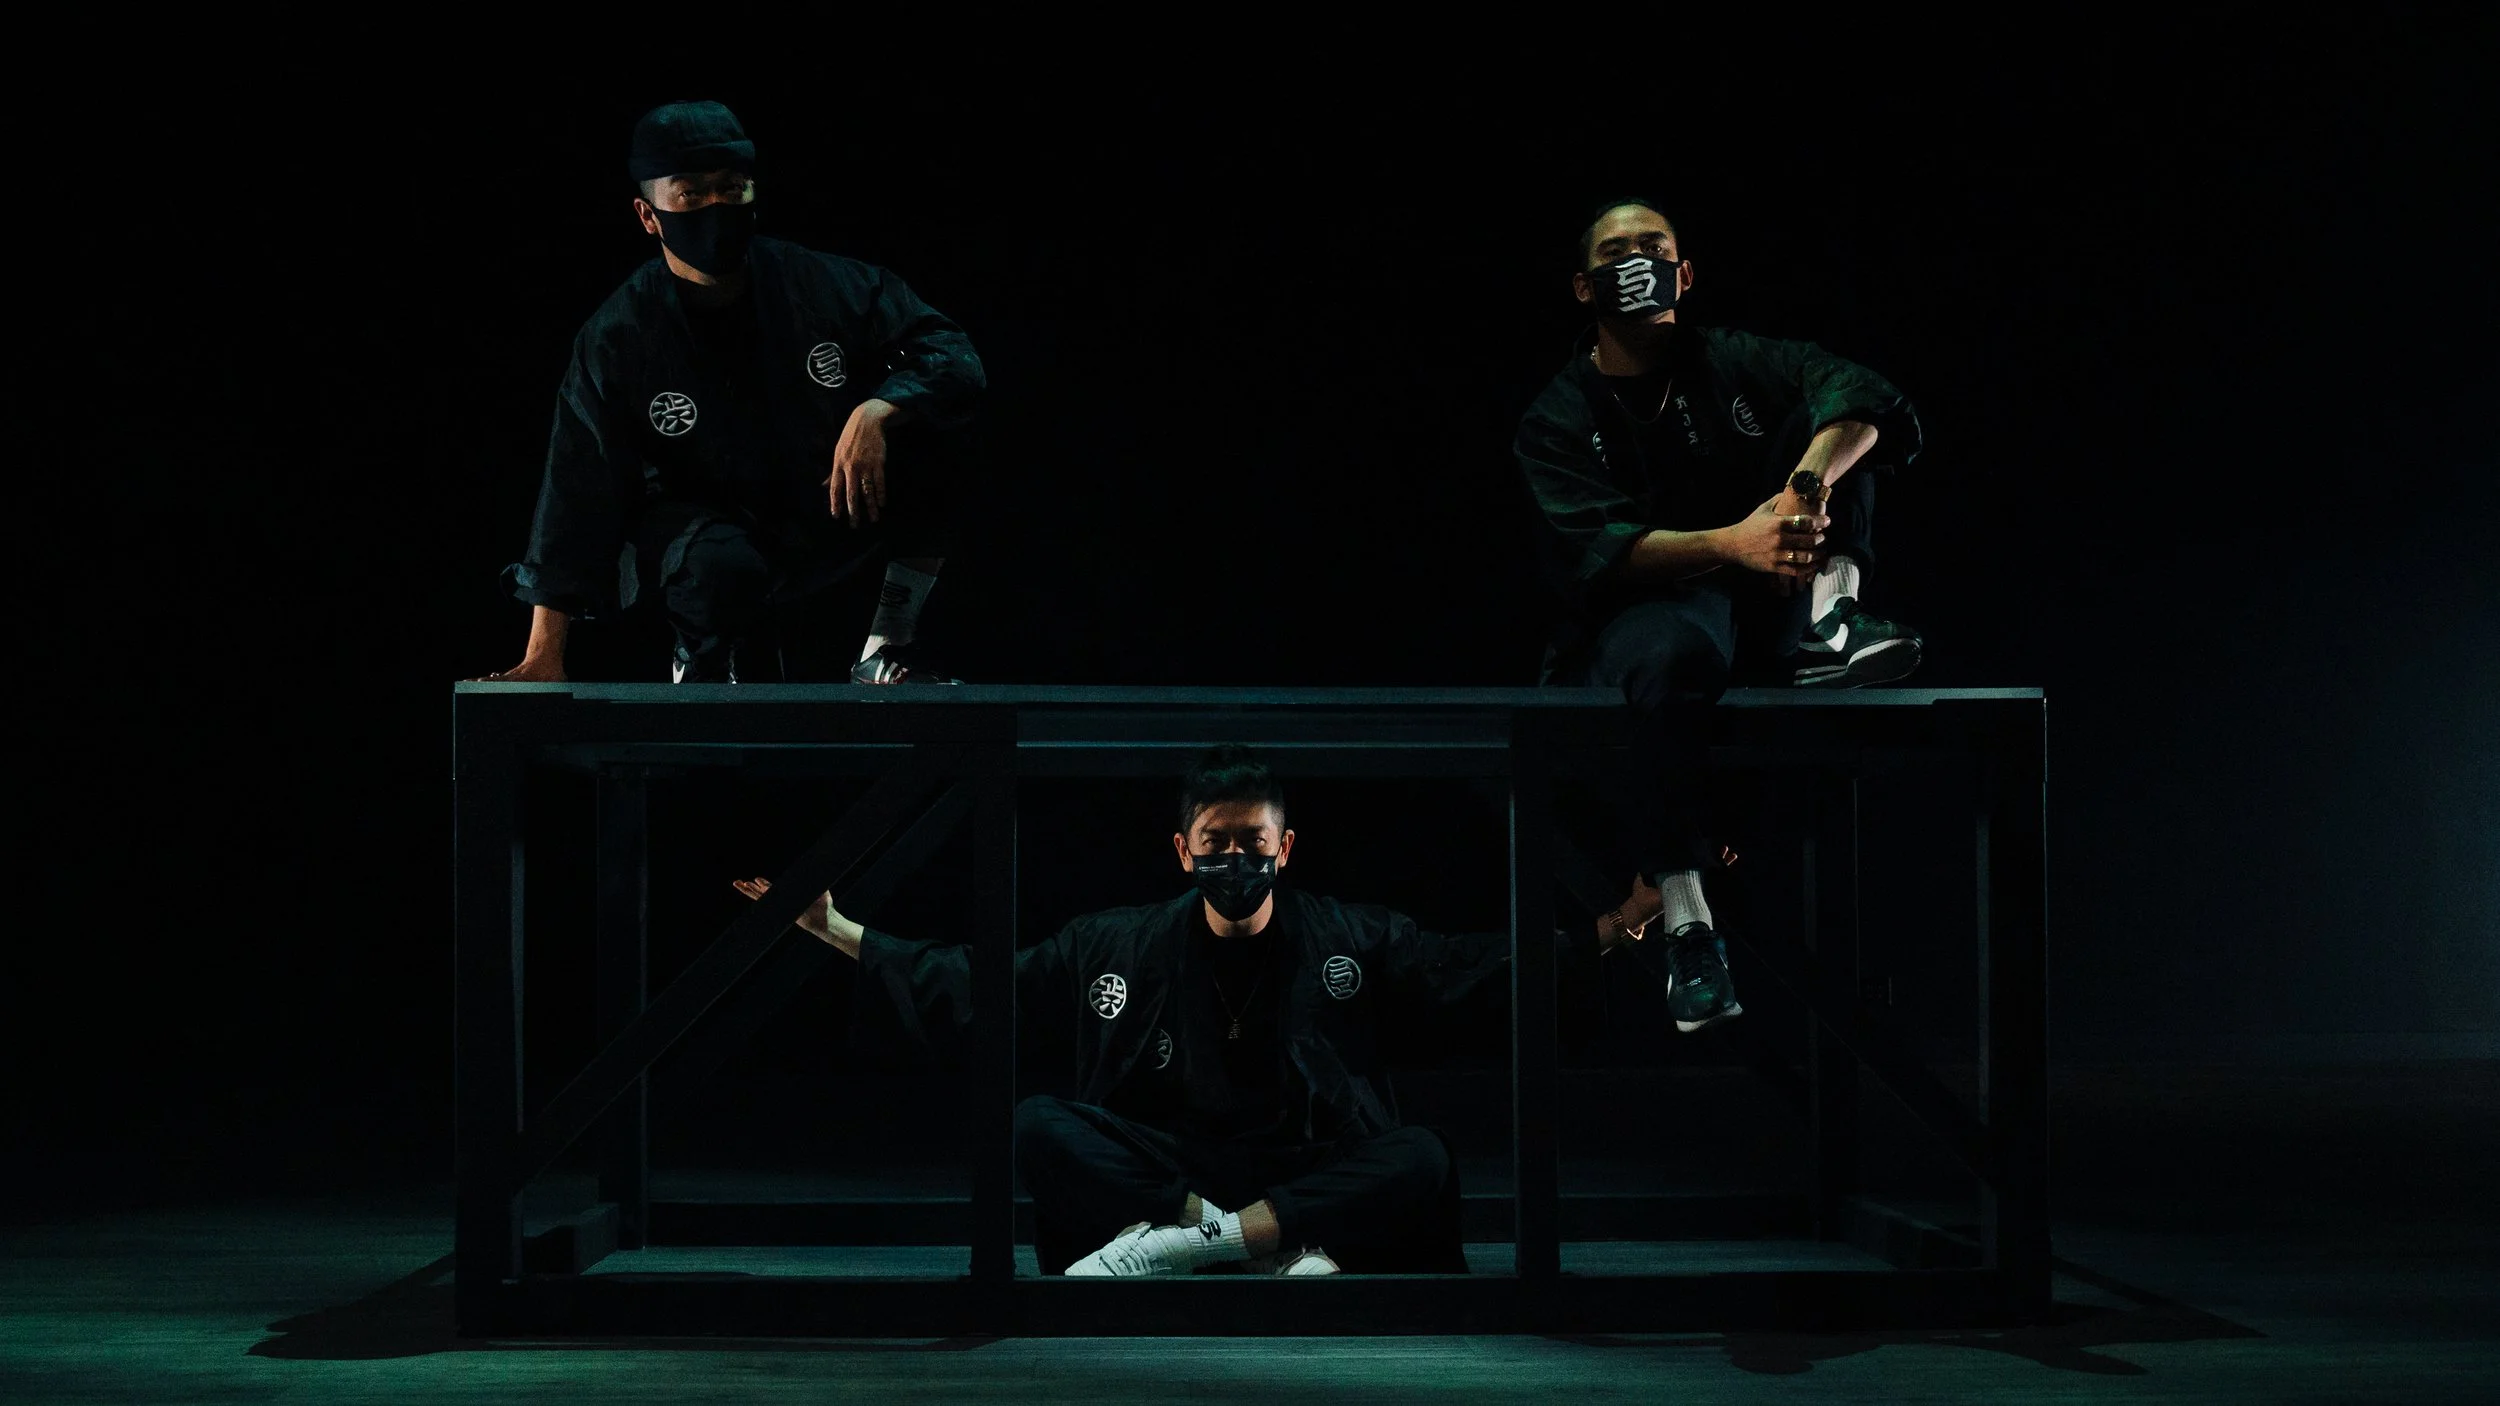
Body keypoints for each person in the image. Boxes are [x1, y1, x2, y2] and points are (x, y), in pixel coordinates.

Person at [734, 746, 1649, 1276]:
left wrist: (1612, 928)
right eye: (1217, 843)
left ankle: (1197, 1247)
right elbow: (984, 983)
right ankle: (1248, 1240)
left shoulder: (1350, 935)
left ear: (1284, 848)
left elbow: (1472, 970)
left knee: (1421, 1157)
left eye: (1254, 842)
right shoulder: (1114, 942)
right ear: (1183, 850)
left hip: (1303, 1160)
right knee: (1040, 1128)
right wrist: (841, 930)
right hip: (1172, 1165)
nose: (1237, 859)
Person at [1513, 198, 1927, 1034]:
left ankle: (1836, 621)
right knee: (1671, 659)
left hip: (1773, 599)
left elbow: (1865, 394)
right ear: (1585, 287)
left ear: (1685, 273)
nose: (1636, 259)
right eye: (1616, 251)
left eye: (1653, 246)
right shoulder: (1554, 416)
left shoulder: (1735, 360)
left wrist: (1802, 488)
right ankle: (1689, 926)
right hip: (1644, 627)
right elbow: (1597, 551)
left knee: (1841, 428)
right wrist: (1736, 542)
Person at [478, 100, 985, 685]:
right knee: (718, 568)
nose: (715, 207)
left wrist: (878, 410)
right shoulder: (617, 336)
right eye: (690, 195)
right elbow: (574, 488)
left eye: (731, 188)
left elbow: (951, 355)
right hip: (696, 535)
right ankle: (700, 657)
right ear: (648, 215)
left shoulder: (826, 285)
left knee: (939, 427)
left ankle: (886, 646)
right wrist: (545, 653)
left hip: (817, 499)